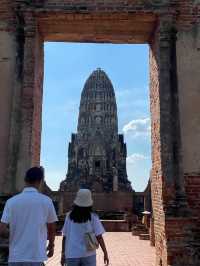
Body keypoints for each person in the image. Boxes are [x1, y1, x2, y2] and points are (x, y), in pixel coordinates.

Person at [0, 166, 58, 266]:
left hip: (15, 257)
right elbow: (52, 228)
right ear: (40, 181)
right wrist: (51, 246)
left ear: (25, 180)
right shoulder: (46, 201)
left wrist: (14, 233)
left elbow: (1, 229)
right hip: (36, 256)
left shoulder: (11, 202)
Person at [61, 189, 109, 266]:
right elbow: (99, 237)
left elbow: (65, 237)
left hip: (72, 254)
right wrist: (105, 253)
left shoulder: (69, 216)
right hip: (89, 253)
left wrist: (63, 254)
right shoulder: (93, 217)